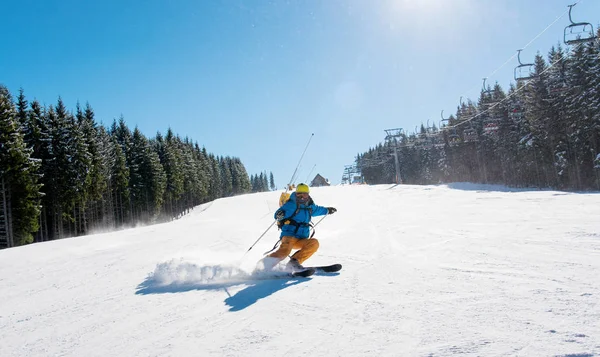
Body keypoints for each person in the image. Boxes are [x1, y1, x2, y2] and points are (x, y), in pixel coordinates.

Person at [265, 183, 336, 271]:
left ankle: (294, 262)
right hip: (289, 236)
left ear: (308, 195)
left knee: (314, 243)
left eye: (305, 194)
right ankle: (264, 265)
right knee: (284, 252)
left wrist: (327, 210)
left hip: (301, 239)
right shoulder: (291, 204)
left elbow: (317, 210)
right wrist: (280, 214)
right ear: (296, 193)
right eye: (299, 194)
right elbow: (279, 213)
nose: (302, 197)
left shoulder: (310, 206)